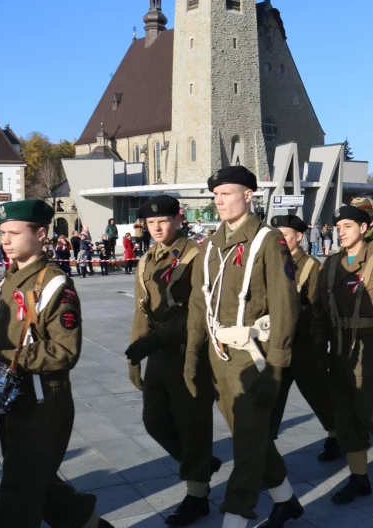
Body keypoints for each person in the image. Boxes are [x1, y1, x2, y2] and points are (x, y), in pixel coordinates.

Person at [0, 200, 113, 528]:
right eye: (2, 232)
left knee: (19, 491)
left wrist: (2, 356)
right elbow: (19, 340)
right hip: (15, 399)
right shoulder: (12, 279)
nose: (4, 240)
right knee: (38, 483)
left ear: (40, 234)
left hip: (43, 402)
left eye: (14, 233)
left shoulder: (54, 283)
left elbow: (65, 352)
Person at [184, 166, 302, 528]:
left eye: (227, 193)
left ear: (249, 195)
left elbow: (285, 305)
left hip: (255, 360)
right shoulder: (210, 246)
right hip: (220, 358)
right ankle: (285, 501)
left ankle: (234, 518)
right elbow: (198, 306)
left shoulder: (268, 241)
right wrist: (192, 357)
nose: (219, 201)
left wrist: (277, 368)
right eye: (215, 195)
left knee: (247, 445)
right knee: (250, 437)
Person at [126, 195, 218, 526]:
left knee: (193, 425)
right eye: (151, 223)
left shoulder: (196, 255)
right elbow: (142, 309)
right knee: (155, 421)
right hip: (158, 354)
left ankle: (198, 494)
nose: (157, 227)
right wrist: (135, 354)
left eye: (163, 221)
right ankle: (202, 465)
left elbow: (199, 310)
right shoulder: (147, 259)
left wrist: (158, 341)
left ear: (178, 220)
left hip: (188, 351)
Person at [311, 205, 373, 504]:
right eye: (339, 226)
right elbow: (319, 312)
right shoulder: (330, 265)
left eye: (348, 226)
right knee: (345, 419)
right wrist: (318, 349)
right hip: (339, 352)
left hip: (371, 351)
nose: (341, 231)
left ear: (364, 229)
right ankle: (359, 479)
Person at [269, 214, 340, 462]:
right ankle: (265, 444)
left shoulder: (310, 266)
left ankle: (335, 435)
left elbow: (320, 308)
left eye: (284, 236)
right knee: (271, 395)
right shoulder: (269, 264)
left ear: (298, 237)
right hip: (277, 343)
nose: (279, 241)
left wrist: (319, 344)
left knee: (318, 392)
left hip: (305, 343)